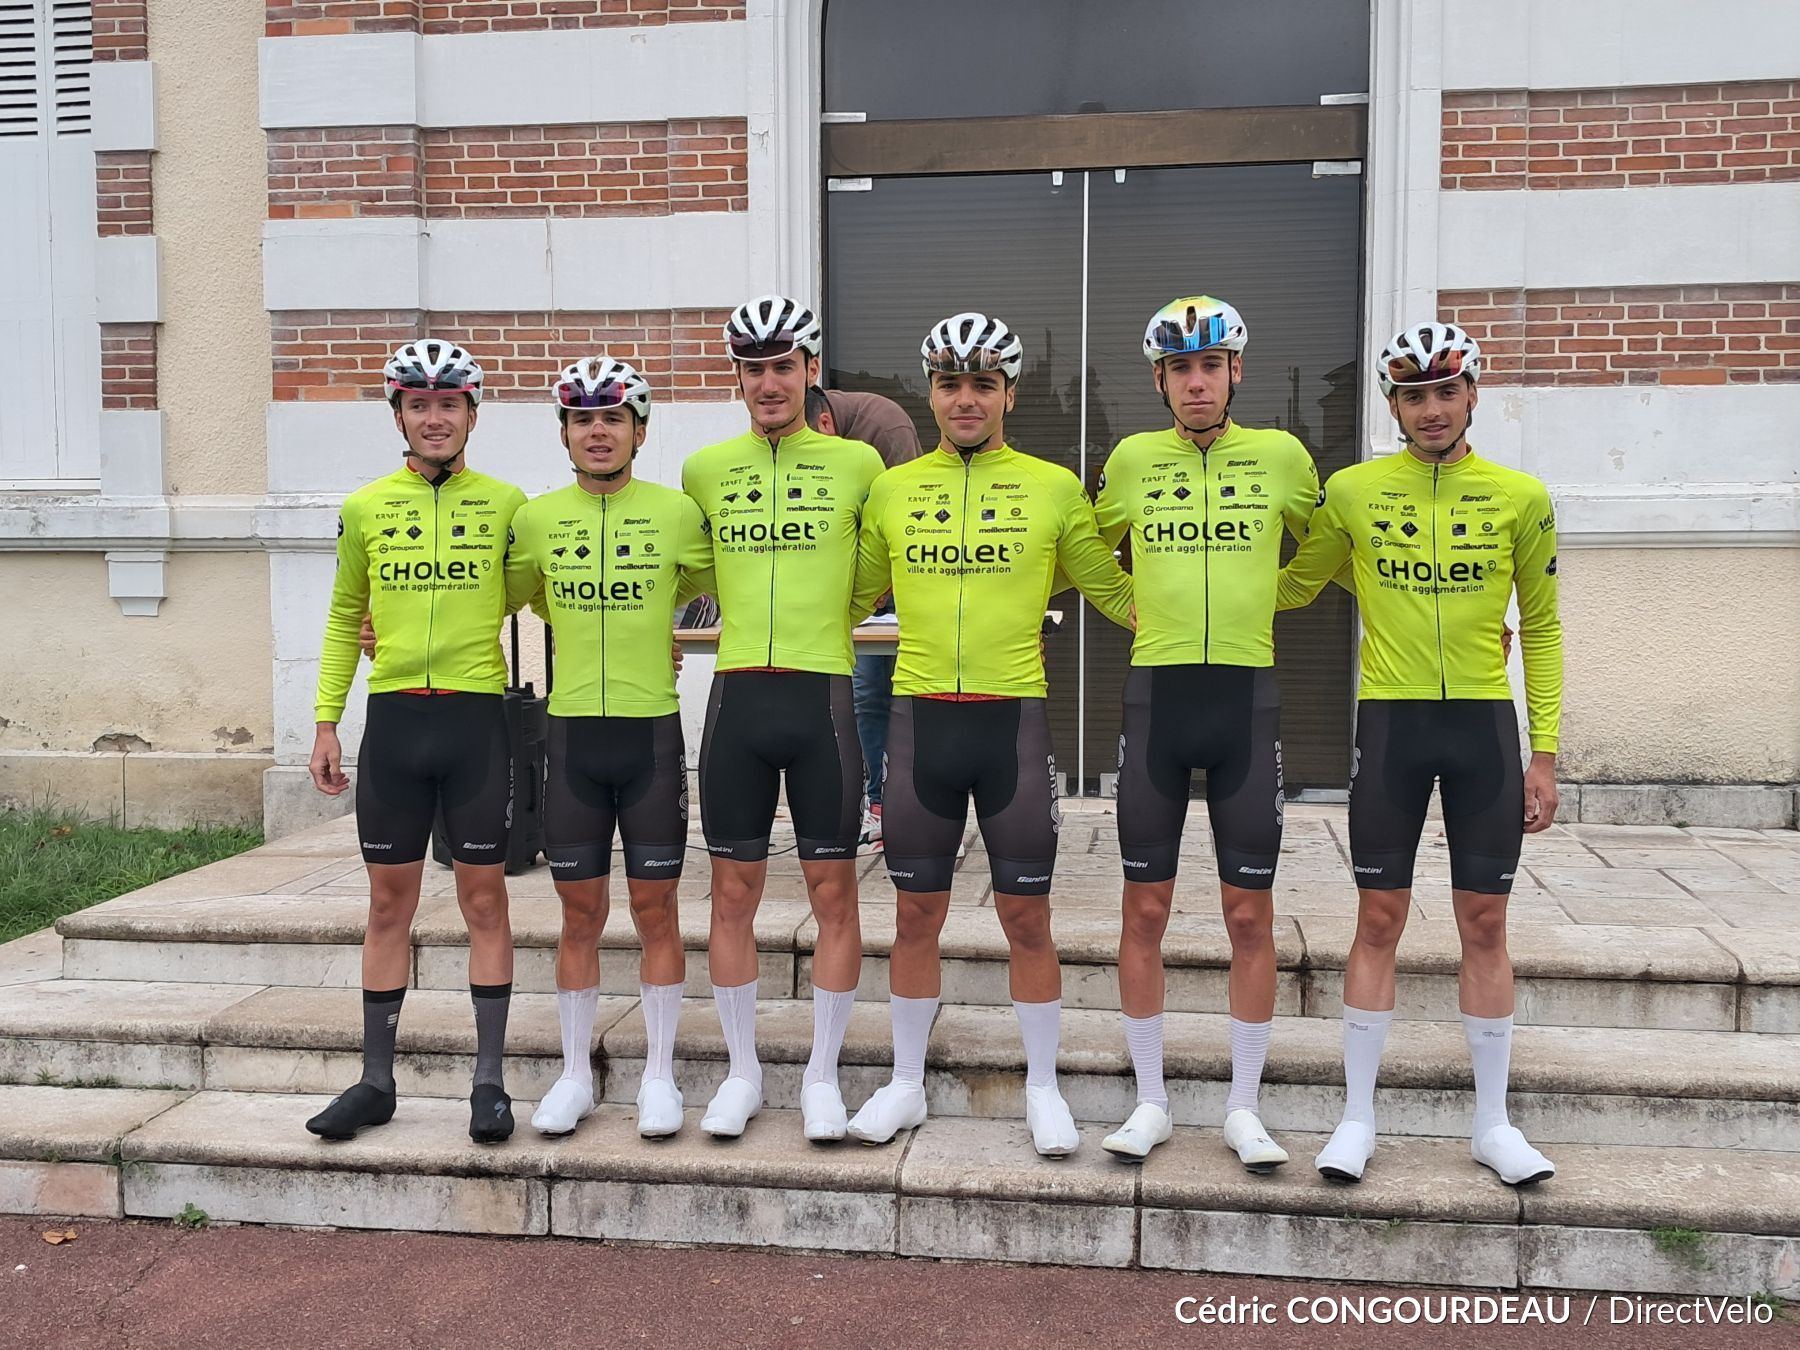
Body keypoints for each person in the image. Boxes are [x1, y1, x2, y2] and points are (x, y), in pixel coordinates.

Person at [1275, 322, 1563, 1187]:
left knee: (1486, 924)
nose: (1431, 409)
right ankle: (1356, 1119)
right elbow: (1299, 581)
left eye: (1445, 391)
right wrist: (1197, 564)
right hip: (1392, 725)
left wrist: (1545, 754)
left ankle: (1492, 1125)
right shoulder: (1353, 492)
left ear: (1472, 394)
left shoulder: (1522, 497)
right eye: (1413, 396)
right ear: (1392, 406)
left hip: (1484, 729)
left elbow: (1542, 628)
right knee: (1378, 920)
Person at [844, 312, 1136, 1157]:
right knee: (913, 915)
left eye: (982, 384)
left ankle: (1043, 1089)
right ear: (929, 392)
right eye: (949, 384)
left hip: (1013, 723)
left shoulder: (1053, 487)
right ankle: (904, 1084)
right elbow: (848, 595)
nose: (964, 399)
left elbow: (1111, 590)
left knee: (1027, 916)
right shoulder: (894, 490)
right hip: (919, 723)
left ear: (1010, 393)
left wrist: (1212, 616)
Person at [1092, 296, 1324, 1170]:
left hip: (1245, 700)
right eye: (1182, 369)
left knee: (1247, 911)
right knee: (1145, 908)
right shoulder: (1130, 460)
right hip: (1156, 697)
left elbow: (1333, 543)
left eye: (1211, 366)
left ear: (1236, 372)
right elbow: (1083, 546)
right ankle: (1150, 1100)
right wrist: (1128, 604)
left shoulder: (1283, 457)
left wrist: (1278, 595)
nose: (1198, 382)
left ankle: (1243, 1107)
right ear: (1160, 380)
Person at [305, 340, 526, 1144]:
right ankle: (375, 1082)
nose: (436, 418)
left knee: (484, 901)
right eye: (419, 405)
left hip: (475, 724)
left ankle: (489, 1084)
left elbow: (543, 592)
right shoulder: (366, 508)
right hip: (396, 722)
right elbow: (344, 616)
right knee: (386, 903)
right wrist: (326, 721)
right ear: (397, 416)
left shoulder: (508, 505)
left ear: (473, 414)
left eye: (449, 404)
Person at [680, 296, 887, 1141]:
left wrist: (832, 621)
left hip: (822, 698)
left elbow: (878, 567)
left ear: (810, 370)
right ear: (737, 377)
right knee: (731, 892)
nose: (769, 383)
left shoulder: (858, 465)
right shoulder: (703, 470)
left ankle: (822, 1077)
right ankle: (741, 1073)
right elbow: (681, 567)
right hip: (736, 698)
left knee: (834, 891)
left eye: (782, 366)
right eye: (753, 369)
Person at [503, 356, 715, 1140]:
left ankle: (659, 1077)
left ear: (640, 431)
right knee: (580, 912)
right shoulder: (536, 520)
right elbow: (509, 593)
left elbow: (711, 581)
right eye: (583, 419)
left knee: (657, 909)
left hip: (649, 734)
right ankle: (573, 1076)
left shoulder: (677, 513)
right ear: (564, 433)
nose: (598, 431)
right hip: (573, 741)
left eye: (614, 418)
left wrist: (666, 626)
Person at [803, 386, 923, 851]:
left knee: (901, 693)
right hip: (850, 587)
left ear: (826, 424)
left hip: (895, 586)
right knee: (865, 694)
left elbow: (910, 518)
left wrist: (879, 593)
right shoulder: (803, 422)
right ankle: (876, 802)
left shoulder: (886, 428)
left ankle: (911, 806)